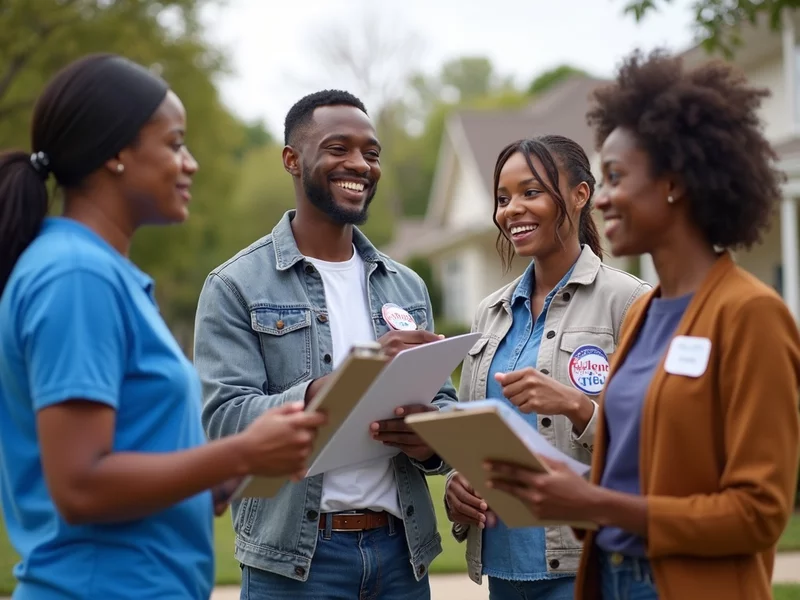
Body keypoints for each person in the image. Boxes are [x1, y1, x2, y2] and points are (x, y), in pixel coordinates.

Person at [0, 54, 326, 600]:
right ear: (117, 155)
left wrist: (219, 480)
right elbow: (80, 486)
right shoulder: (76, 276)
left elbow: (130, 455)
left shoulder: (100, 273)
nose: (190, 163)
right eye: (175, 144)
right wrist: (240, 453)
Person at [482, 49, 800, 600]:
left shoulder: (750, 314)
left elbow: (759, 514)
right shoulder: (646, 317)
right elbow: (636, 480)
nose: (599, 198)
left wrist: (592, 502)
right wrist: (559, 489)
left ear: (674, 183)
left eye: (614, 178)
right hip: (610, 578)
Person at [193, 89, 457, 600]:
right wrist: (335, 388)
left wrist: (429, 441)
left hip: (402, 556)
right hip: (295, 562)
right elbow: (224, 421)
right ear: (292, 159)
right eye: (339, 148)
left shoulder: (405, 286)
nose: (359, 164)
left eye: (371, 153)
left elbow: (442, 404)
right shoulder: (235, 285)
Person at [443, 135, 649, 600]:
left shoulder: (629, 302)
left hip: (583, 567)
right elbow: (478, 438)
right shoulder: (488, 314)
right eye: (502, 198)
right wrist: (458, 488)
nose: (511, 209)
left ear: (580, 195)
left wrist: (578, 407)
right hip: (501, 567)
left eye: (530, 192)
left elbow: (653, 443)